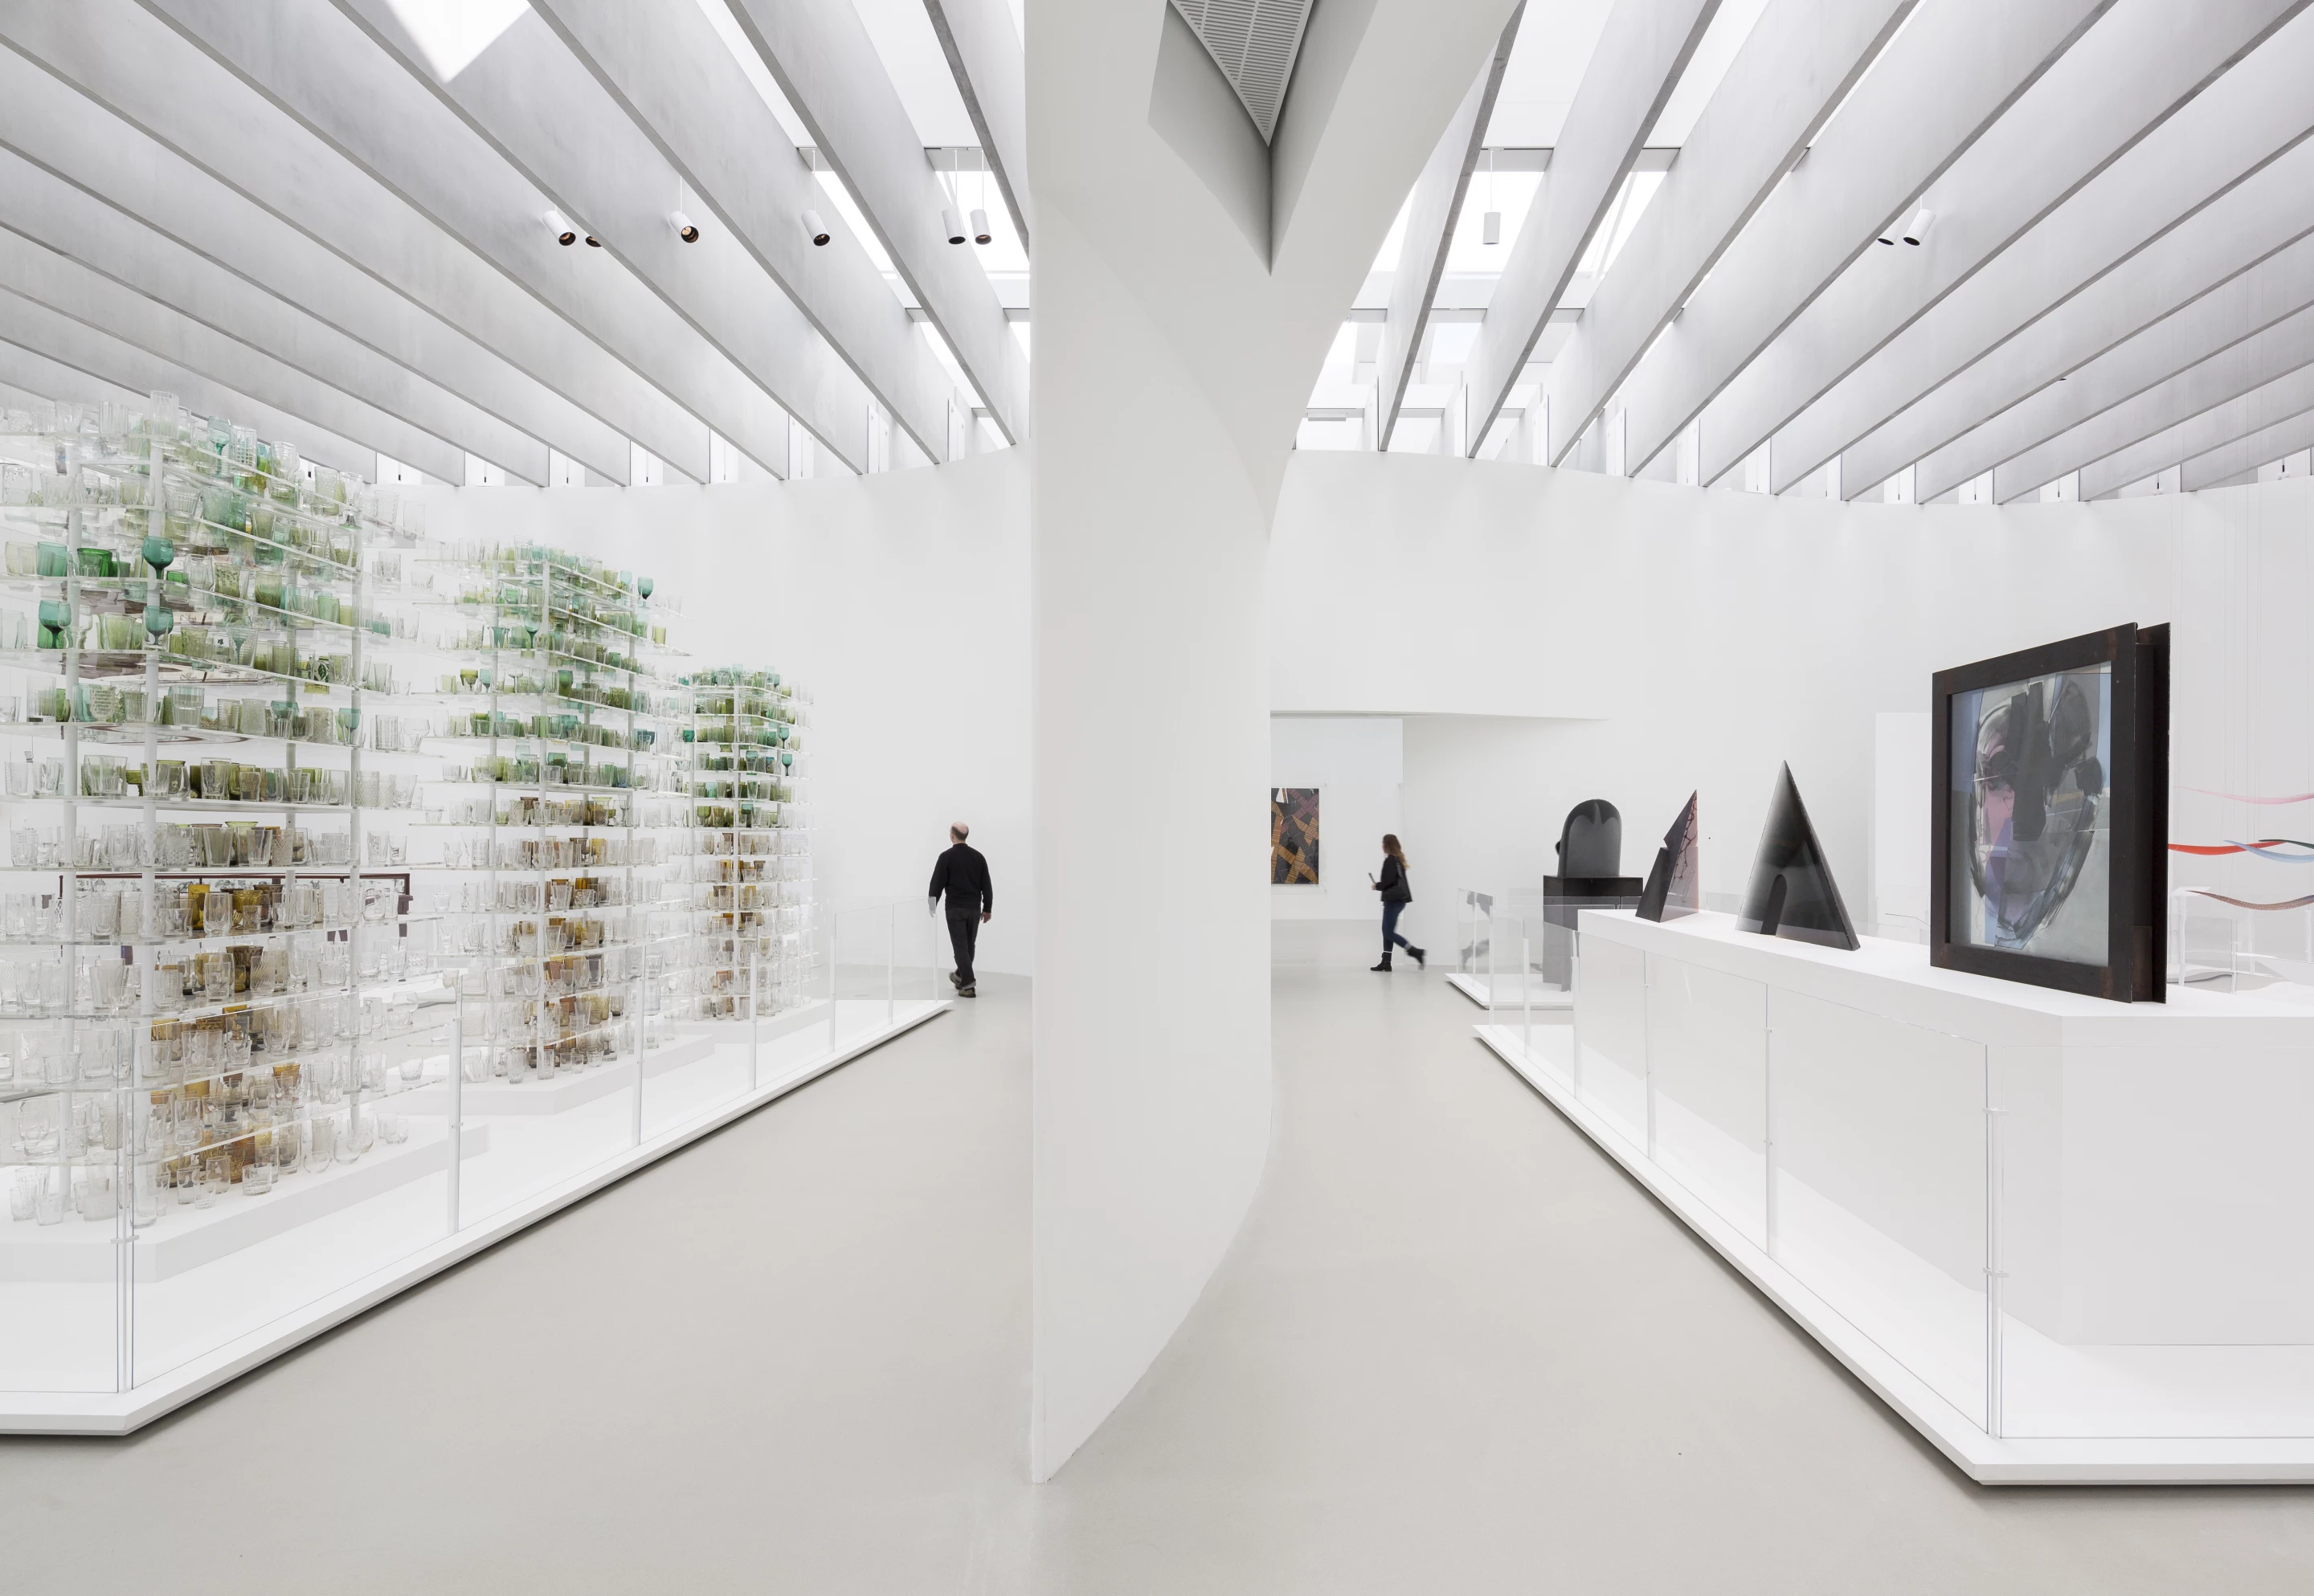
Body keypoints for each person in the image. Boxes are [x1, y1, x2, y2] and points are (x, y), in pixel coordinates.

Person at [928, 822, 992, 998]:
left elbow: (936, 883)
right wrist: (987, 908)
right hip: (973, 909)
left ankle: (968, 985)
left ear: (952, 835)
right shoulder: (978, 857)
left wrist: (932, 904)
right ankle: (959, 976)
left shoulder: (946, 857)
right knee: (969, 945)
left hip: (955, 909)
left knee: (960, 947)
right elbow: (986, 885)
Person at [1371, 833, 1425, 972]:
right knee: (1387, 931)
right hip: (1398, 900)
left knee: (1388, 932)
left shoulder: (1390, 860)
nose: (1382, 846)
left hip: (1393, 901)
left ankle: (1414, 951)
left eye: (1384, 844)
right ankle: (1386, 962)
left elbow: (1388, 882)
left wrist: (1377, 886)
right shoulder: (1398, 860)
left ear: (1387, 845)